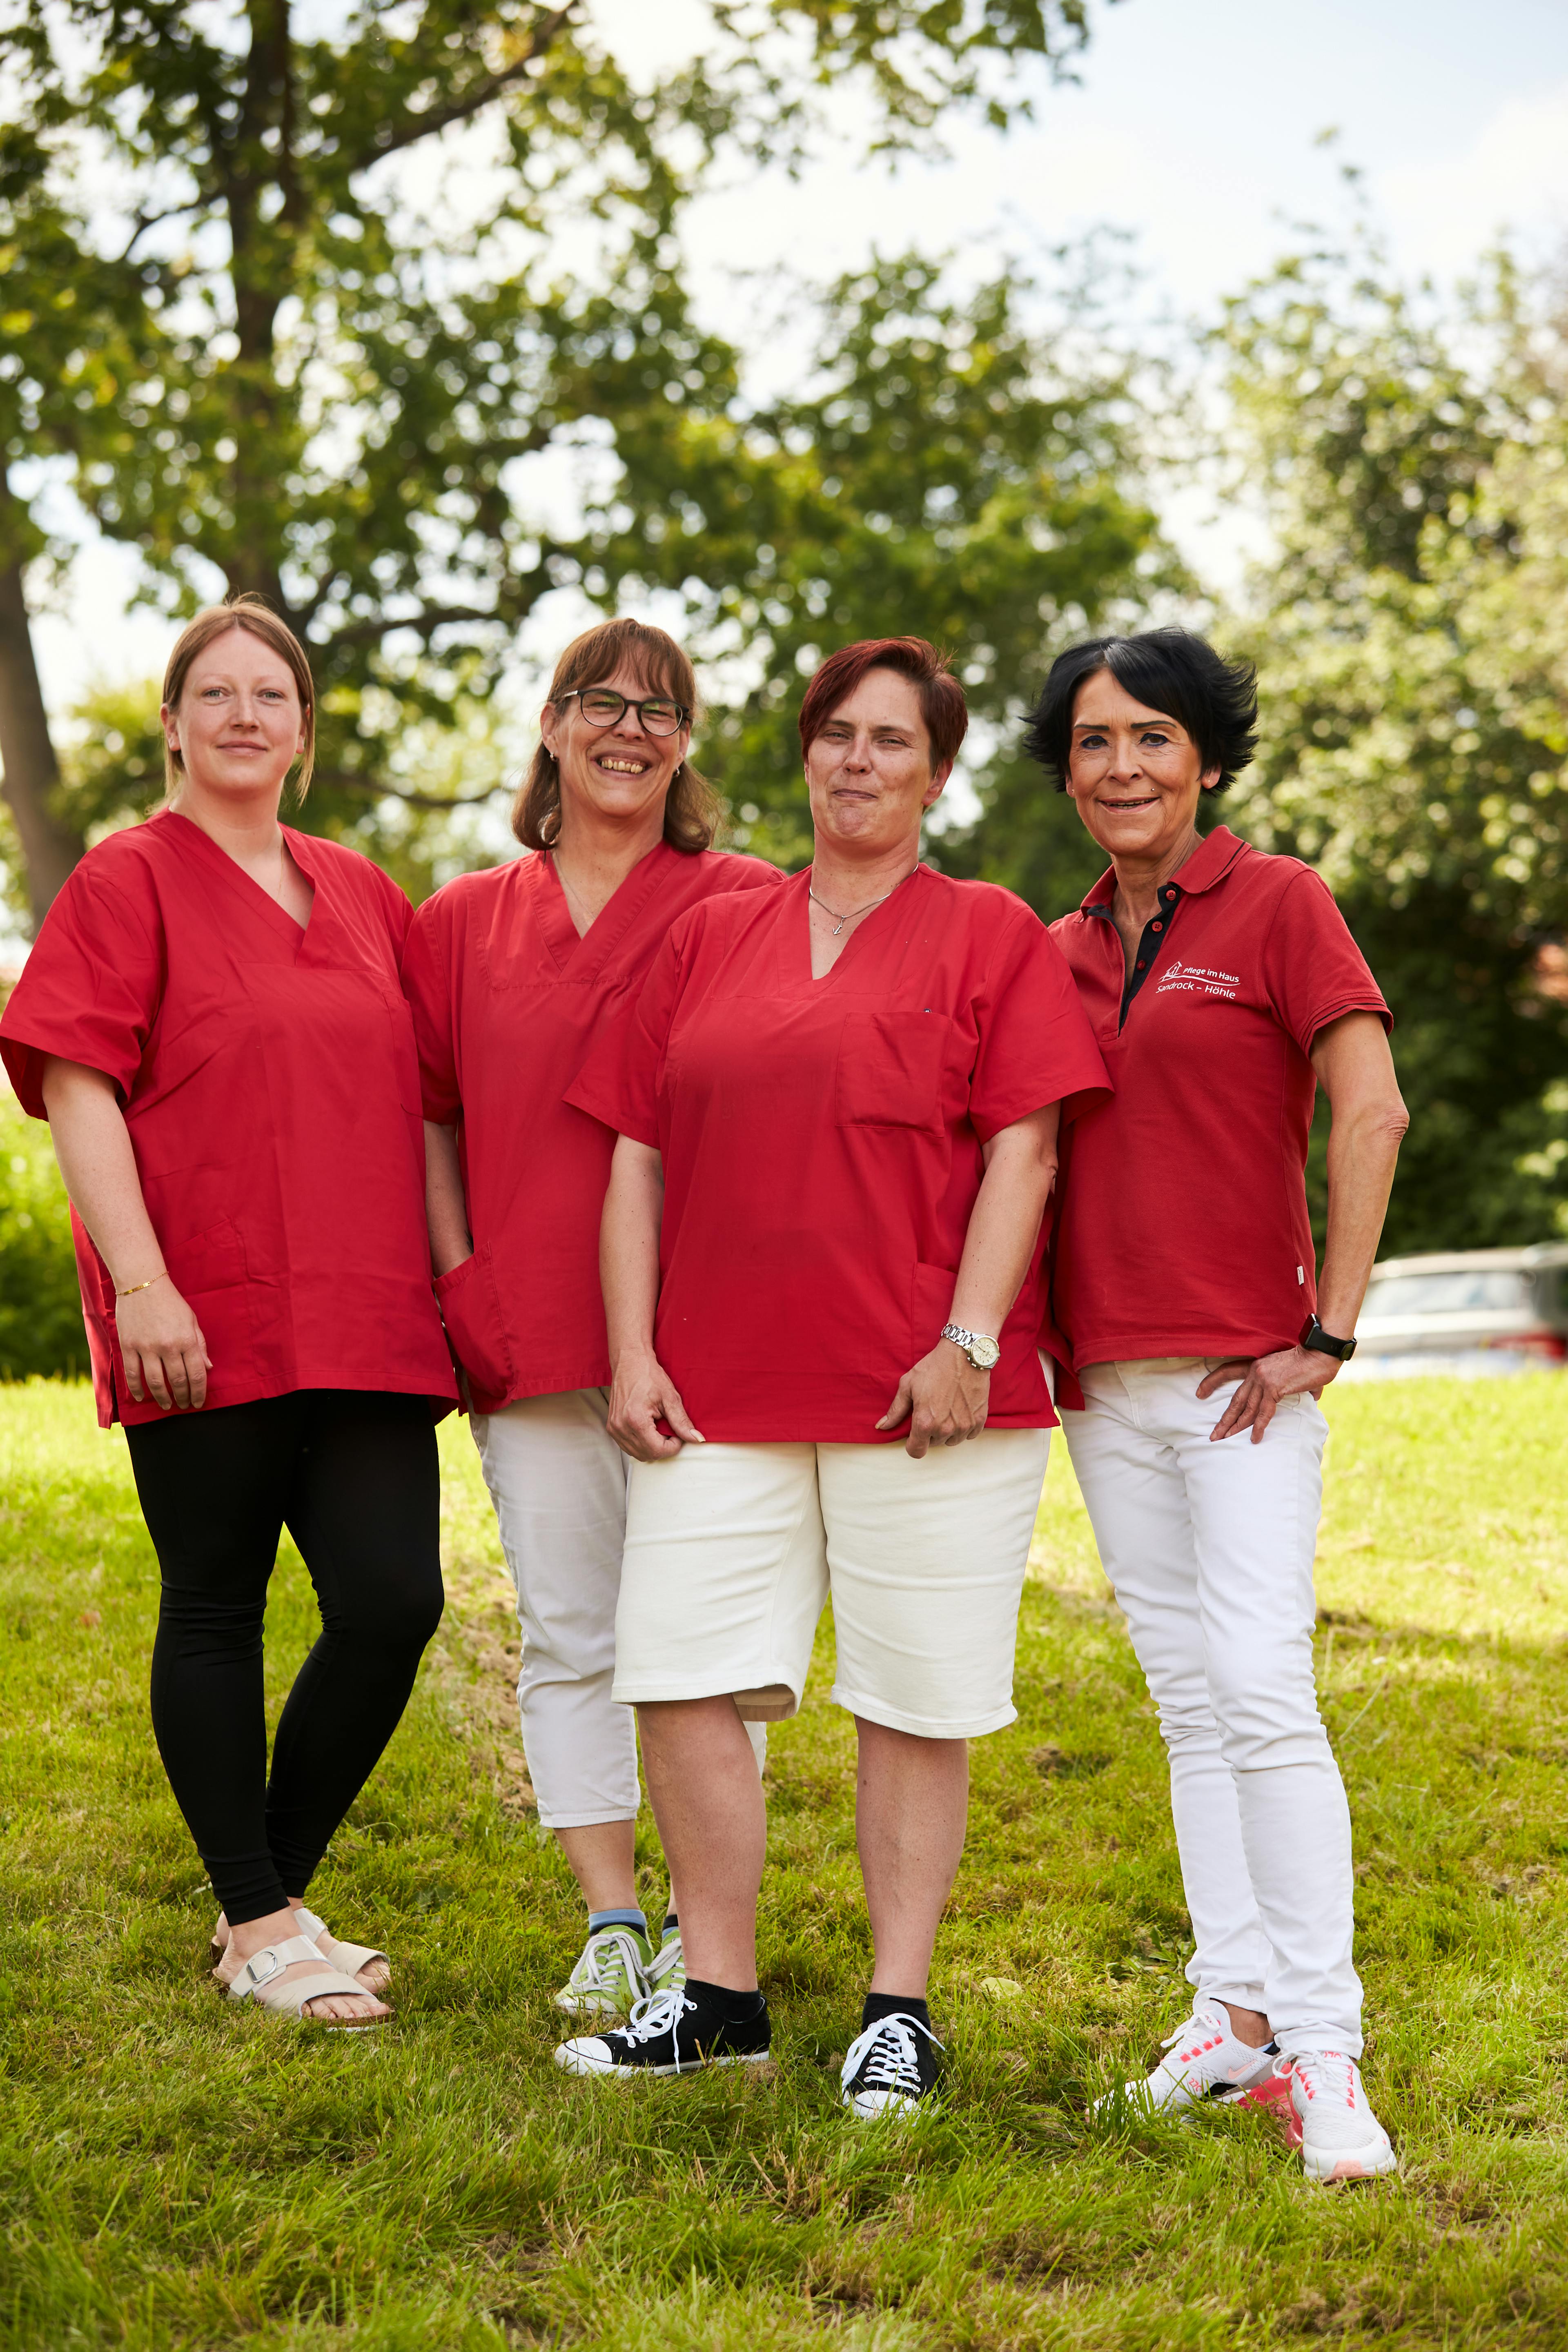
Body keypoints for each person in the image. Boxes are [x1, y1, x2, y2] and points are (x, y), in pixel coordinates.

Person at [555, 636, 1109, 2112]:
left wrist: (969, 1345)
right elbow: (635, 1154)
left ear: (935, 773)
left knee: (914, 1700)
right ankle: (718, 1997)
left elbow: (1027, 1150)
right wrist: (630, 1349)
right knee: (673, 1676)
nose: (860, 762)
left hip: (925, 1400)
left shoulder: (990, 932)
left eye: (894, 743)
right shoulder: (709, 930)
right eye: (838, 735)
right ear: (805, 753)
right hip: (716, 1391)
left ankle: (898, 2009)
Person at [0, 595, 457, 2030]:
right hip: (200, 1305)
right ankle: (263, 1919)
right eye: (217, 692)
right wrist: (140, 1281)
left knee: (393, 1602)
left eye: (273, 694)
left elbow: (434, 1098)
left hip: (369, 1312)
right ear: (175, 723)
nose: (246, 714)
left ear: (304, 730)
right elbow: (79, 1082)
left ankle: (265, 1898)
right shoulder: (126, 882)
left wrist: (461, 1280)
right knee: (218, 1606)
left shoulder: (366, 892)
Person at [1031, 627, 1408, 2182]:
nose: (1124, 766)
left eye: (1154, 739)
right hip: (1101, 1384)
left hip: (1246, 1382)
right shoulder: (1052, 946)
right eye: (1096, 742)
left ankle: (1325, 2049)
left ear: (1205, 758)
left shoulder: (1280, 903)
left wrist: (1327, 1330)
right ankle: (1233, 2017)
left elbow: (1370, 1103)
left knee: (1261, 1690)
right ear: (1067, 771)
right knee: (1190, 1702)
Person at [401, 619, 781, 2020]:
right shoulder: (458, 921)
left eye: (661, 709)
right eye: (601, 703)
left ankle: (704, 1921)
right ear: (552, 727)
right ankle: (612, 1919)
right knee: (571, 1629)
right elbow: (431, 1118)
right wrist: (459, 1277)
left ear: (685, 745)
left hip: (706, 1336)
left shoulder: (745, 900)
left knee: (709, 1646)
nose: (631, 728)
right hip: (522, 1327)